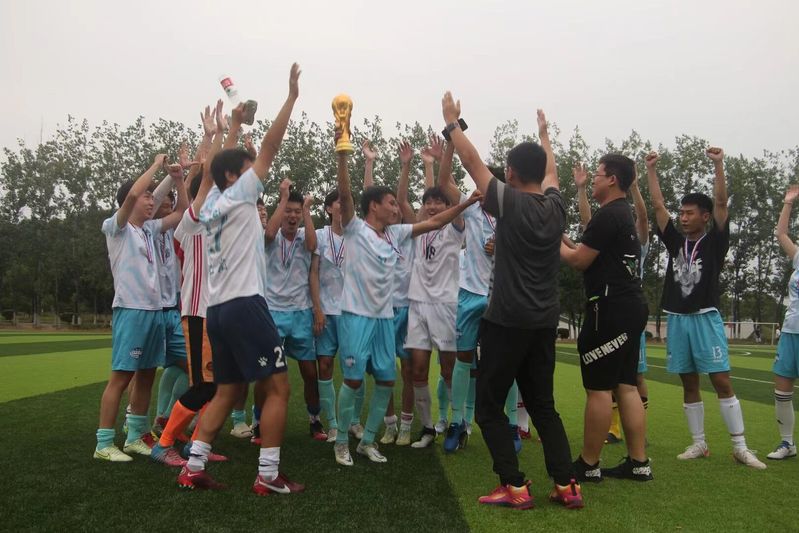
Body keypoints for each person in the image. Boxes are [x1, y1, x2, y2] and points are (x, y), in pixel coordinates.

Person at [441, 93, 581, 510]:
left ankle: (514, 486)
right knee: (543, 406)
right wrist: (544, 134)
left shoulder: (510, 202)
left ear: (512, 172)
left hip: (505, 322)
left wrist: (452, 123)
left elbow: (471, 162)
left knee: (487, 406)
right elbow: (552, 171)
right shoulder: (556, 207)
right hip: (543, 322)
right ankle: (567, 485)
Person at [177, 63, 305, 494]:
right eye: (248, 168)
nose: (256, 172)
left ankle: (193, 466)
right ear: (235, 177)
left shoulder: (212, 204)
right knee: (279, 389)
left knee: (228, 391)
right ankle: (268, 475)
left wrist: (232, 127)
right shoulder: (239, 193)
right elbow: (271, 144)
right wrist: (291, 97)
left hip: (217, 311)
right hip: (247, 304)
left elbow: (217, 166)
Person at [333, 139, 483, 466]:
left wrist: (466, 204)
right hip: (356, 316)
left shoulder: (397, 233)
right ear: (374, 207)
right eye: (390, 203)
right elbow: (345, 196)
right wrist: (343, 155)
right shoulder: (355, 228)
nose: (396, 208)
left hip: (387, 318)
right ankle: (341, 441)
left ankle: (368, 442)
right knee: (354, 379)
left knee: (388, 379)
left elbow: (435, 222)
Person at [646, 148, 765, 469]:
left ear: (705, 216)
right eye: (681, 213)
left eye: (689, 213)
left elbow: (722, 202)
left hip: (705, 318)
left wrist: (719, 165)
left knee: (721, 381)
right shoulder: (674, 241)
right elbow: (658, 206)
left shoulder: (715, 242)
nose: (683, 218)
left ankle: (740, 447)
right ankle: (699, 443)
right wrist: (651, 170)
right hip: (677, 318)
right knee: (689, 382)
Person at [561, 154, 651, 482]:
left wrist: (549, 235)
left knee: (598, 388)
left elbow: (578, 261)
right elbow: (588, 245)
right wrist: (566, 237)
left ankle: (589, 464)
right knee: (625, 385)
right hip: (631, 306)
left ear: (612, 179)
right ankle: (639, 463)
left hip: (608, 310)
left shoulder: (609, 215)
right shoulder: (621, 213)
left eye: (597, 175)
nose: (594, 180)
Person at [94, 154, 188, 462]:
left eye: (152, 196)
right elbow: (135, 192)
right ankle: (104, 444)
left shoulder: (149, 229)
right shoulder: (117, 228)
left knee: (146, 375)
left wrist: (177, 178)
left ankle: (135, 436)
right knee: (121, 378)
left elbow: (182, 212)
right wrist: (157, 165)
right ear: (129, 202)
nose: (152, 201)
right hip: (131, 311)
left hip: (154, 312)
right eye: (147, 197)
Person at [151, 102, 229, 467]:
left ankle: (195, 445)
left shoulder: (216, 224)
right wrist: (218, 135)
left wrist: (228, 135)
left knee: (219, 386)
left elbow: (219, 175)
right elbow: (209, 175)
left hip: (217, 315)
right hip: (198, 314)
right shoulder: (192, 220)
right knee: (204, 386)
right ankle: (164, 443)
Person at [264, 183, 322, 440]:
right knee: (268, 373)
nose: (292, 216)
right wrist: (283, 198)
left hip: (301, 311)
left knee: (309, 371)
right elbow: (268, 234)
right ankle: (258, 421)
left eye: (296, 211)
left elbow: (312, 245)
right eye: (288, 211)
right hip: (272, 312)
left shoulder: (304, 235)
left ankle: (315, 419)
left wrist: (307, 212)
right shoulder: (271, 235)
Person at [310, 188, 346, 442]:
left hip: (350, 311)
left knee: (352, 366)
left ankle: (352, 422)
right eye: (339, 203)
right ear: (329, 208)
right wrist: (317, 308)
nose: (343, 207)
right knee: (324, 365)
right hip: (326, 310)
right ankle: (332, 423)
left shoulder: (356, 235)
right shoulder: (320, 236)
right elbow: (313, 272)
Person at [767, 184, 799, 460]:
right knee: (782, 389)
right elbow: (780, 234)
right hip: (790, 332)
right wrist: (788, 202)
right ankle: (787, 443)